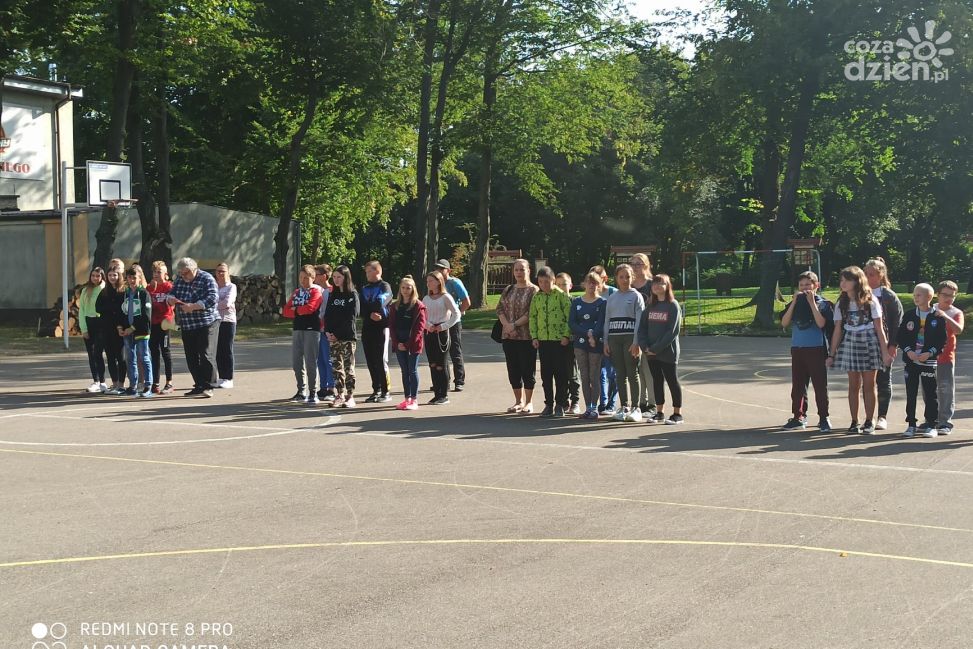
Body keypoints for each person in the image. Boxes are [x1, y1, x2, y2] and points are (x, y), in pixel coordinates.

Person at [826, 266, 892, 435]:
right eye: (841, 280)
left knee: (869, 385)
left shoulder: (871, 301)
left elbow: (879, 328)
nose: (843, 283)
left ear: (857, 281)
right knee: (853, 385)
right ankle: (854, 421)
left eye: (847, 280)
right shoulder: (842, 302)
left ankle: (870, 420)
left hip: (869, 342)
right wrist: (831, 354)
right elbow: (838, 329)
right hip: (850, 342)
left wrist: (885, 352)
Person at [779, 271, 833, 432]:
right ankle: (798, 416)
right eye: (801, 285)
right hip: (798, 349)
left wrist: (811, 303)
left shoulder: (823, 304)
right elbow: (784, 322)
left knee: (820, 385)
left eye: (808, 285)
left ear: (816, 286)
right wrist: (794, 302)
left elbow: (822, 323)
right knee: (798, 386)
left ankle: (824, 417)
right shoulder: (794, 303)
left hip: (816, 349)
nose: (804, 288)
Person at [896, 283, 947, 438]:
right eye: (914, 295)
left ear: (929, 297)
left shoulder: (937, 317)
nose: (915, 297)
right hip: (911, 361)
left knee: (930, 393)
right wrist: (908, 351)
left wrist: (929, 353)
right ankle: (911, 424)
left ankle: (931, 425)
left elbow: (941, 341)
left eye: (919, 295)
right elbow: (901, 337)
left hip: (928, 362)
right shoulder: (910, 315)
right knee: (911, 393)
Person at [166, 257, 220, 398]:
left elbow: (213, 298)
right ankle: (199, 385)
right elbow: (172, 292)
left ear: (194, 269)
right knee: (191, 356)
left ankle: (209, 386)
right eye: (181, 273)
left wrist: (194, 306)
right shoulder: (180, 279)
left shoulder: (206, 278)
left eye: (186, 273)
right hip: (188, 324)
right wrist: (170, 299)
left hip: (207, 322)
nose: (183, 276)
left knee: (206, 353)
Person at [864, 258, 903, 431]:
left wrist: (893, 345)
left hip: (884, 344)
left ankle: (882, 416)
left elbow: (897, 323)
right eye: (865, 274)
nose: (867, 277)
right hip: (864, 345)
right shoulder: (860, 294)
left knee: (883, 380)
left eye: (871, 274)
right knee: (867, 383)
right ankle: (868, 417)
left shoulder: (888, 296)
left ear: (881, 275)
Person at [639, 274, 683, 424]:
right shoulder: (650, 306)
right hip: (650, 352)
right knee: (657, 381)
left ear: (667, 286)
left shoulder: (673, 305)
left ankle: (677, 414)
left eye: (661, 283)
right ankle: (659, 412)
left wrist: (656, 348)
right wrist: (644, 346)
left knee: (672, 381)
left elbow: (672, 331)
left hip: (667, 352)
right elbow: (642, 328)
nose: (657, 286)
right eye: (655, 284)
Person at [497, 258, 539, 413]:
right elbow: (500, 308)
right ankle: (518, 401)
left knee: (527, 369)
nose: (519, 272)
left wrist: (514, 325)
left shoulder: (534, 290)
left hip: (526, 336)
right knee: (513, 369)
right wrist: (507, 326)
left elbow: (532, 312)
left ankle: (529, 402)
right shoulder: (509, 289)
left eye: (522, 269)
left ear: (529, 271)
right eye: (516, 270)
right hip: (508, 336)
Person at [604, 263, 644, 422]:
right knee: (619, 374)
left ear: (632, 277)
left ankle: (636, 408)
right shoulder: (612, 297)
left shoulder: (636, 296)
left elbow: (640, 321)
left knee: (632, 373)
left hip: (630, 339)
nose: (624, 279)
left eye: (627, 276)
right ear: (616, 278)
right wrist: (605, 341)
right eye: (621, 277)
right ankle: (624, 406)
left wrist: (636, 342)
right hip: (614, 339)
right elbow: (607, 320)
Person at [530, 267, 572, 417]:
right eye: (540, 282)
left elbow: (569, 317)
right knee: (546, 375)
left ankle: (560, 403)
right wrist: (534, 336)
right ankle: (548, 404)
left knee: (561, 374)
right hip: (543, 340)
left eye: (547, 281)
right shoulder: (537, 297)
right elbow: (533, 317)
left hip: (559, 341)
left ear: (553, 280)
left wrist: (566, 335)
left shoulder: (561, 296)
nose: (543, 285)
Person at [283, 265, 324, 404]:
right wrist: (297, 310)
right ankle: (301, 391)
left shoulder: (316, 292)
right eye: (301, 278)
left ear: (313, 278)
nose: (303, 281)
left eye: (306, 278)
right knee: (297, 362)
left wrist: (296, 310)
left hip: (312, 329)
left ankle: (313, 392)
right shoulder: (297, 292)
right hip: (298, 329)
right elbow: (285, 310)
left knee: (310, 362)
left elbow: (311, 308)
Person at [568, 271, 606, 419]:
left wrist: (593, 335)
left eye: (595, 282)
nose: (592, 285)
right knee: (584, 376)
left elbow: (602, 322)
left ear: (600, 285)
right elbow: (572, 323)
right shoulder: (577, 302)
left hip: (596, 343)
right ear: (584, 284)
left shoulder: (602, 303)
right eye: (589, 282)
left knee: (594, 376)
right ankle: (588, 407)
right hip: (581, 343)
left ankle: (594, 408)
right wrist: (588, 334)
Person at [388, 276, 428, 410]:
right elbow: (391, 326)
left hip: (412, 344)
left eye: (408, 288)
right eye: (403, 287)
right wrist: (397, 342)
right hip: (399, 343)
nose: (405, 290)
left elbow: (419, 328)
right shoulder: (395, 306)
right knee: (404, 371)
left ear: (413, 289)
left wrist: (408, 344)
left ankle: (414, 400)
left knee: (412, 370)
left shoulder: (418, 306)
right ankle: (407, 399)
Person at [325, 265, 360, 408]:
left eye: (339, 277)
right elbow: (328, 315)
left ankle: (350, 396)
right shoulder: (333, 295)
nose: (336, 279)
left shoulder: (352, 295)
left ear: (346, 277)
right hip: (333, 338)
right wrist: (328, 332)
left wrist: (337, 334)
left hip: (347, 337)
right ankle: (339, 395)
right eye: (334, 277)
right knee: (336, 367)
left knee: (348, 368)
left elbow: (351, 317)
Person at [423, 270, 460, 405]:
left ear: (439, 281)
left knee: (440, 364)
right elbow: (422, 316)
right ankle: (436, 393)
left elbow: (456, 315)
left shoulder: (445, 297)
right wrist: (428, 326)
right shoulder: (426, 298)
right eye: (427, 281)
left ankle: (443, 394)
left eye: (431, 281)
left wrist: (443, 326)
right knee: (432, 364)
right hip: (429, 332)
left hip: (441, 334)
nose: (428, 284)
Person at [434, 259, 471, 391]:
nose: (438, 271)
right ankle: (443, 380)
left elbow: (467, 301)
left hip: (453, 322)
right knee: (440, 352)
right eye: (437, 268)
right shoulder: (435, 284)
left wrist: (458, 314)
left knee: (455, 350)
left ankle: (459, 380)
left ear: (448, 270)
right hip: (439, 322)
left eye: (441, 269)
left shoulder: (454, 283)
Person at [934, 280, 965, 435]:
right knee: (929, 390)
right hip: (928, 357)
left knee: (945, 390)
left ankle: (945, 422)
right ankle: (931, 419)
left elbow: (959, 330)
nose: (948, 299)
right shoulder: (929, 309)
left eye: (952, 296)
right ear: (937, 294)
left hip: (946, 357)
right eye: (945, 295)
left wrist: (945, 316)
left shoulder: (955, 312)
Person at [629, 253, 657, 419]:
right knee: (635, 370)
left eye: (639, 263)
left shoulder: (651, 284)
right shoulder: (628, 285)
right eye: (633, 263)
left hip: (648, 332)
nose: (636, 266)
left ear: (646, 265)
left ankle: (652, 404)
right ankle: (639, 403)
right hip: (630, 332)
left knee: (648, 370)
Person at [119, 265, 153, 397]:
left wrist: (132, 328)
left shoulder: (144, 294)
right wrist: (121, 327)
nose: (132, 280)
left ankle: (147, 386)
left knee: (144, 357)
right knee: (130, 358)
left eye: (134, 278)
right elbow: (122, 312)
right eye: (129, 278)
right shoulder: (126, 294)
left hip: (142, 332)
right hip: (127, 332)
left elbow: (146, 316)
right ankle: (132, 385)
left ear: (139, 278)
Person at [590, 264, 618, 415]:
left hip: (611, 337)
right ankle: (603, 402)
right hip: (595, 338)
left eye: (597, 279)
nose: (593, 282)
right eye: (591, 279)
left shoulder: (613, 293)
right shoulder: (589, 294)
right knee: (599, 373)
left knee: (611, 372)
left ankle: (612, 403)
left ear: (604, 279)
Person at [97, 262, 127, 395]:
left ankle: (121, 384)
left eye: (114, 275)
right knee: (110, 356)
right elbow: (98, 308)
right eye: (110, 275)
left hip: (119, 328)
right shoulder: (104, 292)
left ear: (119, 275)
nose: (112, 277)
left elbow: (123, 309)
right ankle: (114, 383)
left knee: (121, 357)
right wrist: (111, 309)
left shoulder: (123, 291)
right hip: (106, 328)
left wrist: (113, 311)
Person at [555, 272, 581, 414]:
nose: (561, 287)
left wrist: (568, 335)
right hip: (556, 342)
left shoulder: (575, 301)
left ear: (570, 285)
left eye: (564, 284)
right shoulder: (554, 301)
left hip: (571, 342)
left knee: (572, 373)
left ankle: (575, 401)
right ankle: (563, 401)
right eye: (558, 285)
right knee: (560, 373)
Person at [147, 261, 175, 395]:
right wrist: (150, 288)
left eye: (159, 272)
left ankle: (169, 382)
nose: (156, 275)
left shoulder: (169, 287)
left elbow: (172, 303)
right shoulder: (150, 287)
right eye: (154, 272)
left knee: (165, 351)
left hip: (165, 323)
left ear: (166, 275)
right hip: (153, 324)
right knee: (154, 352)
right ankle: (155, 383)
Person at [79, 267, 107, 393]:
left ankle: (102, 381)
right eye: (93, 275)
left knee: (98, 352)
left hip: (100, 324)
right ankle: (95, 380)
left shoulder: (105, 289)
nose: (95, 278)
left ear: (102, 277)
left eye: (98, 276)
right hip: (88, 322)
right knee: (91, 353)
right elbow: (82, 311)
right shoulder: (85, 290)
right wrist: (84, 329)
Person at [313, 264, 336, 403]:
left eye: (316, 274)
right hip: (318, 329)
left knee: (328, 359)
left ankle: (331, 388)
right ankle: (322, 387)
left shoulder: (332, 290)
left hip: (328, 330)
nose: (314, 277)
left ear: (324, 276)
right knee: (320, 360)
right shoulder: (317, 290)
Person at [215, 262, 238, 389]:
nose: (221, 273)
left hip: (228, 321)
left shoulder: (231, 287)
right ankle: (222, 377)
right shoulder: (214, 287)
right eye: (218, 271)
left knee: (226, 349)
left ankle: (229, 378)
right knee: (218, 350)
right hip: (215, 321)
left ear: (228, 272)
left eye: (223, 271)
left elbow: (227, 303)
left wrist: (212, 305)